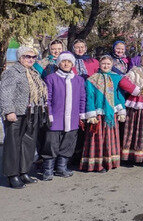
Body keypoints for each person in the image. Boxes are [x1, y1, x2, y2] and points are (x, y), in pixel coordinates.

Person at [0, 47, 48, 188]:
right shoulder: (12, 72)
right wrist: (9, 111)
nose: (31, 59)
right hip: (17, 114)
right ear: (20, 57)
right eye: (27, 56)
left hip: (32, 113)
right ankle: (12, 175)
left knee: (28, 144)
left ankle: (24, 172)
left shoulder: (34, 72)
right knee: (13, 145)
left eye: (33, 57)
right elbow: (5, 93)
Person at [42, 52, 86, 180]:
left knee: (68, 143)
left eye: (69, 62)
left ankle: (61, 168)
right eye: (63, 61)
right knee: (51, 143)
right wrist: (49, 114)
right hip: (55, 117)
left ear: (72, 64)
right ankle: (48, 170)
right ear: (59, 63)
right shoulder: (51, 78)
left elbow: (82, 98)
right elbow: (47, 99)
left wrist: (81, 115)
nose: (66, 64)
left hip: (72, 118)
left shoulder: (78, 80)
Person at [80, 55, 126, 172]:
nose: (106, 66)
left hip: (112, 113)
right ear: (99, 64)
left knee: (110, 138)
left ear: (112, 65)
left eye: (108, 64)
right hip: (98, 113)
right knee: (97, 138)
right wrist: (91, 114)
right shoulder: (92, 79)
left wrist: (121, 111)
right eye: (103, 63)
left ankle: (110, 162)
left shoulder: (117, 78)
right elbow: (89, 97)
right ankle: (97, 164)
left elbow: (119, 95)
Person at [119, 52, 143, 164]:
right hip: (136, 103)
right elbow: (123, 82)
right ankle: (130, 155)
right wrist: (135, 90)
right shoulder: (134, 71)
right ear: (140, 61)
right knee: (133, 129)